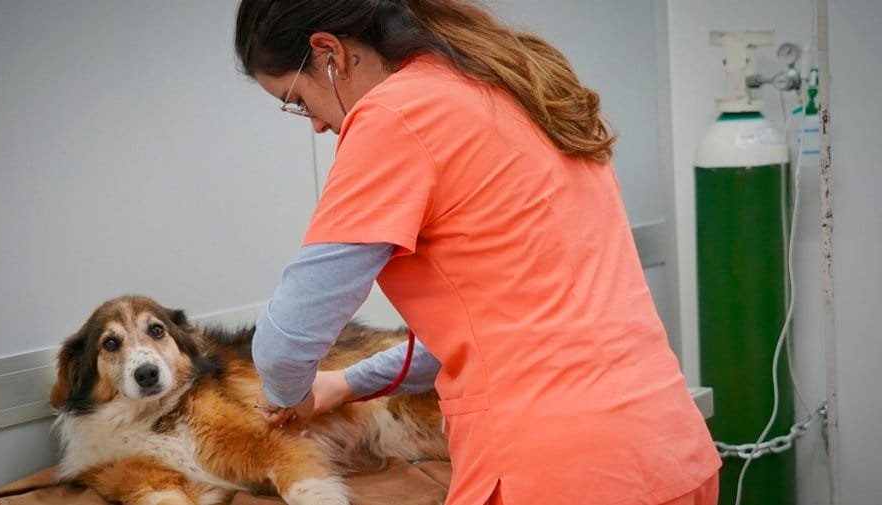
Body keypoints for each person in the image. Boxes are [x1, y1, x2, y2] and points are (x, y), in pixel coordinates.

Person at [234, 1, 721, 504]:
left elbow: (286, 341)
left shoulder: (393, 117)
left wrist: (287, 393)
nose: (314, 124)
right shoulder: (511, 86)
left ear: (328, 51)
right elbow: (505, 331)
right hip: (668, 448)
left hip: (557, 472)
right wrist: (349, 383)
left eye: (295, 99)